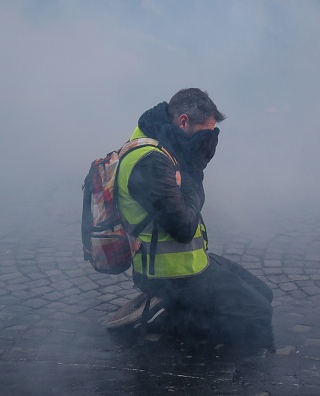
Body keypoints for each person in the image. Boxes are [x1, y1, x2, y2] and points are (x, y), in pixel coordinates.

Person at [106, 88, 273, 345]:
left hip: (190, 263)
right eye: (206, 134)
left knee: (264, 294)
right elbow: (183, 228)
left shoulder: (163, 142)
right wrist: (195, 170)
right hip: (171, 274)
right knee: (257, 313)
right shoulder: (151, 161)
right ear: (183, 121)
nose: (209, 141)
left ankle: (177, 309)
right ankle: (172, 323)